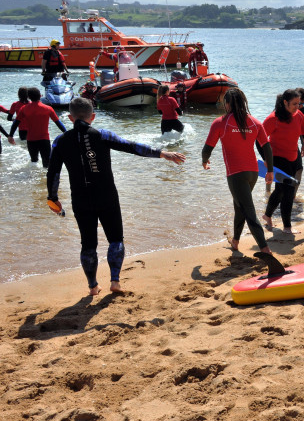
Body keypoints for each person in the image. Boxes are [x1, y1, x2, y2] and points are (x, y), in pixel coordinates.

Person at [46, 97, 186, 296]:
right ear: (92, 117)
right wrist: (162, 153)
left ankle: (93, 286)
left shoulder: (60, 141)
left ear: (70, 117)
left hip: (81, 198)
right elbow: (131, 146)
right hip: (106, 195)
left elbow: (53, 173)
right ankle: (115, 282)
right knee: (115, 239)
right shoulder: (103, 135)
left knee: (88, 244)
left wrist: (52, 197)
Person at [202, 88, 274, 253]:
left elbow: (207, 148)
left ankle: (265, 249)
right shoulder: (255, 122)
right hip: (253, 173)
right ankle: (235, 241)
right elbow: (267, 148)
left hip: (236, 175)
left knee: (248, 210)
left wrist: (204, 161)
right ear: (243, 102)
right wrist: (269, 170)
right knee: (239, 206)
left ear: (227, 104)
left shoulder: (221, 122)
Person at [261, 89, 304, 234]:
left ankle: (267, 215)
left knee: (280, 190)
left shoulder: (298, 115)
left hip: (294, 157)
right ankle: (287, 227)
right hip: (278, 159)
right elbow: (259, 139)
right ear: (285, 102)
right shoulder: (273, 118)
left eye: (299, 103)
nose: (297, 107)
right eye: (294, 104)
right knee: (288, 191)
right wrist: (266, 159)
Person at [9, 87, 66, 168]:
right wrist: (66, 132)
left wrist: (10, 135)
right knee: (47, 164)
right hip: (44, 140)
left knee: (34, 162)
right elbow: (58, 123)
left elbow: (15, 123)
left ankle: (33, 179)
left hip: (31, 140)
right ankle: (46, 179)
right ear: (40, 96)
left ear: (29, 97)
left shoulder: (24, 108)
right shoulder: (48, 108)